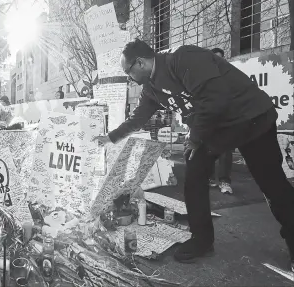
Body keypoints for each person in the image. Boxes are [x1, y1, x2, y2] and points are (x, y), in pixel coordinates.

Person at [93, 39, 294, 270]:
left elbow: (215, 99)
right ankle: (202, 240)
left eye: (128, 72)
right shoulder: (151, 89)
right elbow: (138, 117)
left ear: (140, 63)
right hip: (217, 128)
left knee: (272, 184)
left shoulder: (184, 58)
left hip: (251, 118)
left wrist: (195, 137)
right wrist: (111, 137)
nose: (129, 78)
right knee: (195, 176)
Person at [208, 48, 233, 194]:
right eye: (215, 58)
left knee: (225, 150)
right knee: (208, 149)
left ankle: (225, 181)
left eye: (221, 58)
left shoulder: (229, 75)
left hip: (225, 118)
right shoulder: (204, 75)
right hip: (209, 118)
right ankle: (210, 178)